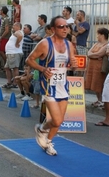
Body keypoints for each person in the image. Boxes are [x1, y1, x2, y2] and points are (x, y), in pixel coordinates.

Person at [26, 16, 77, 156]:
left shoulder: (69, 45)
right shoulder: (45, 44)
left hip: (63, 85)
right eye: (61, 27)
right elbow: (29, 60)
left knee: (59, 121)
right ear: (53, 29)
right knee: (57, 119)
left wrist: (73, 65)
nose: (65, 29)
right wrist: (43, 69)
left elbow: (71, 65)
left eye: (66, 26)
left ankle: (47, 141)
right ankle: (42, 129)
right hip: (48, 85)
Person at [85, 28, 109, 107]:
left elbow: (99, 54)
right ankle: (99, 99)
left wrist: (92, 55)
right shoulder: (96, 44)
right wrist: (94, 55)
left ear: (102, 35)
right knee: (94, 83)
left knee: (99, 83)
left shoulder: (107, 45)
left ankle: (102, 100)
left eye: (98, 34)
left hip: (99, 67)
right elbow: (88, 52)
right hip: (92, 66)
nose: (97, 36)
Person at [2, 22, 24, 89]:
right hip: (11, 53)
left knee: (15, 68)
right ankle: (9, 82)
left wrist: (17, 43)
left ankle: (15, 83)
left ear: (17, 26)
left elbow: (20, 36)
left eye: (14, 25)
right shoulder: (15, 33)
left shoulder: (18, 32)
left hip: (14, 53)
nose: (13, 27)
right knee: (7, 67)